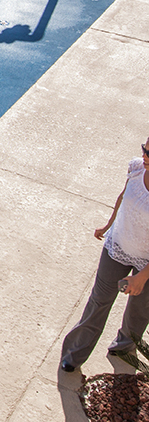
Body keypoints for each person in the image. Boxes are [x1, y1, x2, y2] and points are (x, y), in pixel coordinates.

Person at [61, 136, 149, 373]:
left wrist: (141, 278)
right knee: (98, 302)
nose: (145, 156)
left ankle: (124, 346)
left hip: (147, 264)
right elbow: (123, 196)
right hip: (117, 248)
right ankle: (74, 353)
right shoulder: (136, 168)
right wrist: (108, 225)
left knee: (139, 311)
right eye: (145, 149)